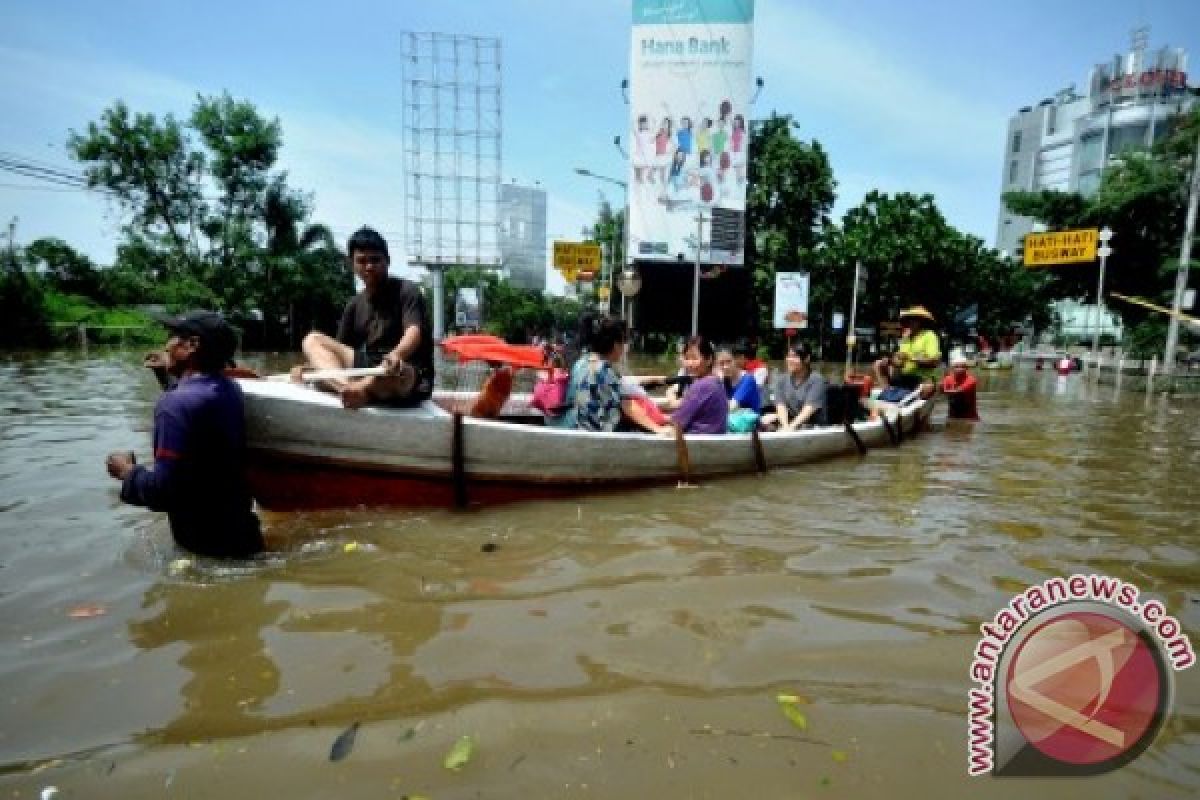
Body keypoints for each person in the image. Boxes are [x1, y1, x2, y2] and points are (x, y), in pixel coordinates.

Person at [105, 311, 263, 559]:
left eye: (172, 336)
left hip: (207, 553)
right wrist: (167, 377)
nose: (166, 344)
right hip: (244, 540)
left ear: (192, 345)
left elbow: (164, 492)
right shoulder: (230, 389)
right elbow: (198, 415)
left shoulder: (174, 405)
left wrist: (127, 472)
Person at [297, 227, 434, 410]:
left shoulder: (407, 291)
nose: (369, 266)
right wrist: (308, 368)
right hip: (369, 369)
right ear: (352, 264)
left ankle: (359, 390)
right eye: (362, 261)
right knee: (312, 339)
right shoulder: (354, 305)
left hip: (404, 371)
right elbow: (337, 353)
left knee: (399, 374)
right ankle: (349, 390)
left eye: (375, 260)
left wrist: (395, 356)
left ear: (388, 261)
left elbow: (413, 333)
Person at [571, 316, 660, 433]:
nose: (624, 349)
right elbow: (628, 405)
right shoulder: (604, 369)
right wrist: (657, 428)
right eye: (623, 343)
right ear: (615, 345)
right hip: (599, 433)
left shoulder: (583, 362)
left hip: (582, 427)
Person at [654, 336, 727, 435]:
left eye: (694, 358)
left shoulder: (702, 385)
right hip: (710, 438)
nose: (689, 363)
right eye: (687, 358)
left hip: (697, 442)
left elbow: (678, 421)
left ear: (709, 359)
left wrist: (651, 416)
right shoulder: (715, 381)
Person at [873, 305, 941, 399]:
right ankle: (888, 394)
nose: (910, 322)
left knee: (928, 387)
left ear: (920, 321)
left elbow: (934, 362)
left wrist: (911, 358)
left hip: (922, 378)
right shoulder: (905, 338)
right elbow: (899, 364)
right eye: (909, 319)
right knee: (879, 364)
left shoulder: (929, 335)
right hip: (905, 377)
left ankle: (912, 402)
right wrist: (890, 361)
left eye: (914, 319)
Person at [764, 342, 828, 430]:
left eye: (795, 356)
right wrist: (785, 426)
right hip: (791, 423)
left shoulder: (817, 380)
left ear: (807, 358)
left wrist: (789, 429)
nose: (790, 360)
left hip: (812, 426)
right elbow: (781, 405)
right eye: (788, 356)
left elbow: (807, 411)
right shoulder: (781, 380)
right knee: (765, 421)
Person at [717, 345, 761, 413]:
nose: (725, 367)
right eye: (721, 363)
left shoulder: (747, 379)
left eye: (729, 362)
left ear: (736, 360)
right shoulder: (725, 380)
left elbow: (731, 407)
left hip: (749, 422)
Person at [942, 353, 980, 420]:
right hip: (953, 415)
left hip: (969, 416)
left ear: (967, 368)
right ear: (952, 368)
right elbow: (943, 390)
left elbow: (958, 391)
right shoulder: (948, 379)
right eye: (957, 367)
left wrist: (942, 389)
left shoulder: (971, 380)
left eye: (963, 367)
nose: (960, 369)